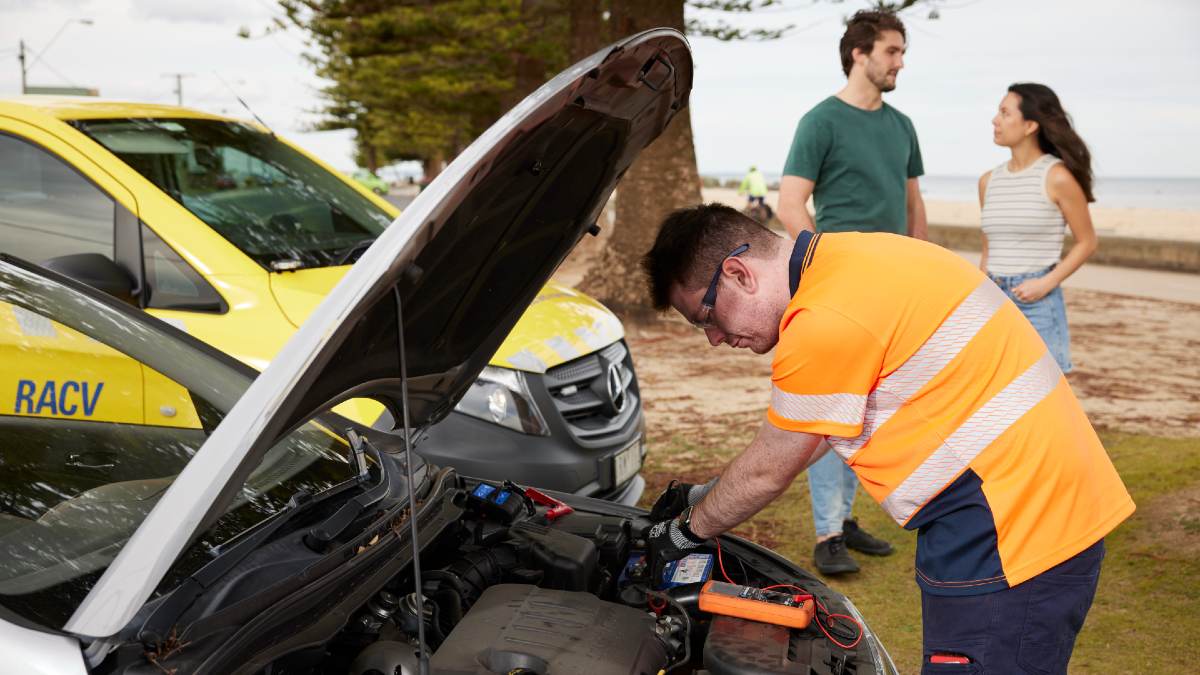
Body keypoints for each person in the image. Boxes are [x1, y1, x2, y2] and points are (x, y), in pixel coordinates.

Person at [641, 203, 1133, 674]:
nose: (714, 339)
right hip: (1040, 503)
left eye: (705, 317)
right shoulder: (858, 260)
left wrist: (687, 531)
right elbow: (817, 431)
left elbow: (770, 469)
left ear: (738, 273)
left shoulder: (822, 319)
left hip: (1008, 527)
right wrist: (705, 497)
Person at [776, 9, 929, 574]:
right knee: (832, 405)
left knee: (874, 407)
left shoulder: (902, 124)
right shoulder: (821, 121)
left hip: (895, 287)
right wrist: (829, 262)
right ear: (859, 54)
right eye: (891, 51)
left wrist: (921, 266)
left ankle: (845, 518)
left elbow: (913, 204)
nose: (900, 62)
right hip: (840, 286)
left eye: (901, 51)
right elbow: (791, 204)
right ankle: (825, 536)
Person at [980, 83, 1097, 373]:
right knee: (994, 394)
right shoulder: (988, 181)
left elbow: (1087, 242)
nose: (995, 120)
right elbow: (988, 247)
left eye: (1005, 113)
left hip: (1038, 302)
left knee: (1048, 397)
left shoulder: (1057, 177)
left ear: (1030, 125)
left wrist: (1045, 283)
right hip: (993, 299)